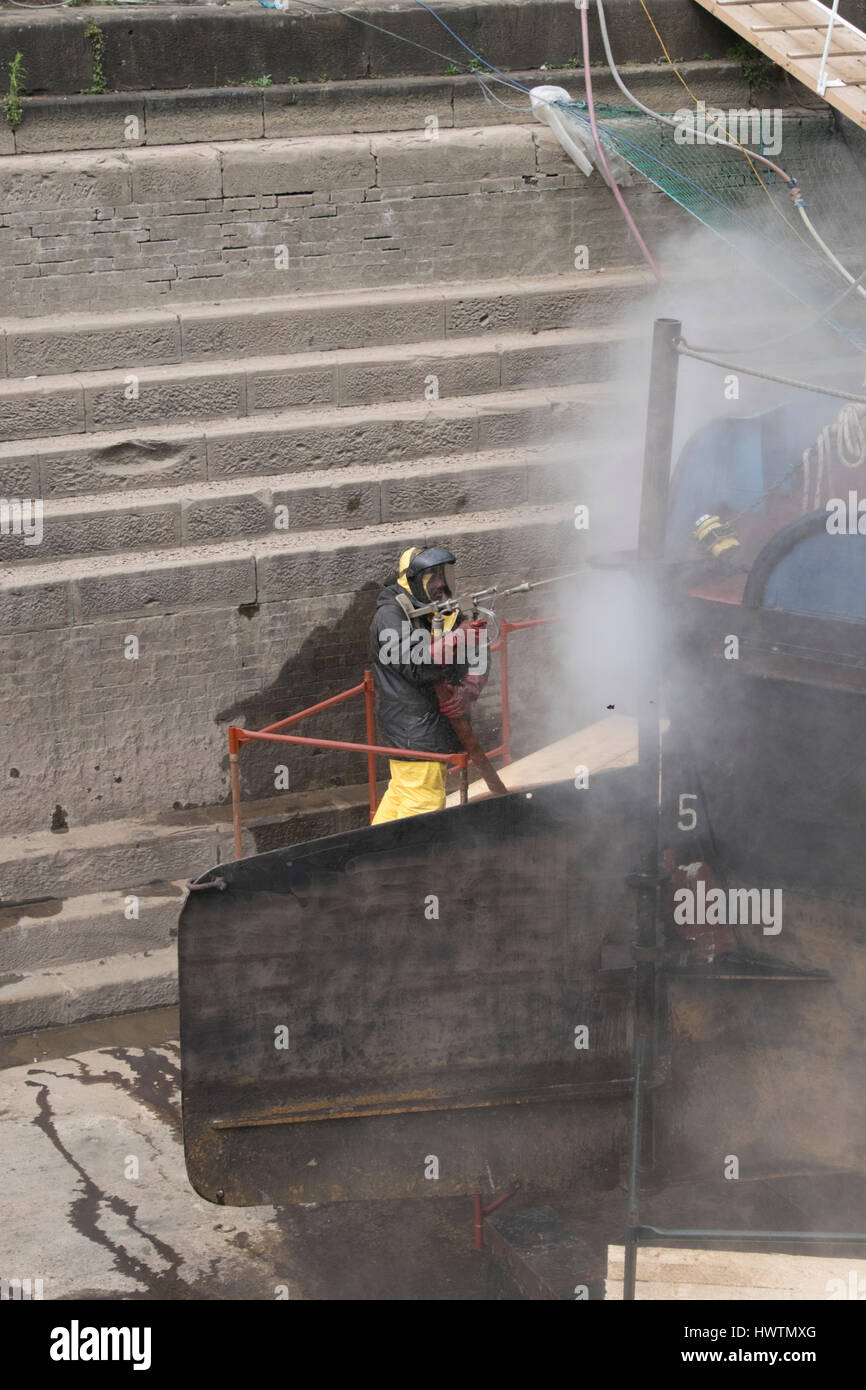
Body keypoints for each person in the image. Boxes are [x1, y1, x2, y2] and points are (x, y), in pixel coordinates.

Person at [370, 545, 487, 823]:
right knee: (424, 804)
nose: (440, 584)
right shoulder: (390, 615)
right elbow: (415, 664)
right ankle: (408, 865)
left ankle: (371, 854)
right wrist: (456, 639)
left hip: (426, 727)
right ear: (412, 580)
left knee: (402, 795)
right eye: (432, 577)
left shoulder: (443, 610)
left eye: (442, 575)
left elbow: (479, 653)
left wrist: (468, 689)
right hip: (415, 730)